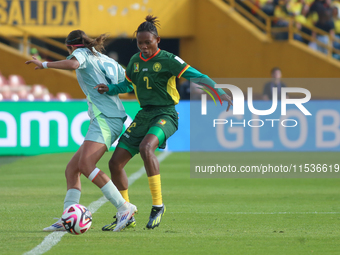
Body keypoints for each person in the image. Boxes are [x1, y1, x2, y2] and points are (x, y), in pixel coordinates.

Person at [95, 15, 232, 230]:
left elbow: (196, 75)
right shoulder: (135, 61)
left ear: (157, 40)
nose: (144, 47)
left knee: (146, 147)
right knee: (115, 163)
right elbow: (127, 86)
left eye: (148, 42)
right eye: (140, 43)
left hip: (166, 114)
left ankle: (158, 205)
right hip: (143, 115)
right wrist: (110, 89)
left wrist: (219, 91)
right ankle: (125, 213)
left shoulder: (168, 59)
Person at [25, 30, 137, 232]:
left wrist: (43, 64)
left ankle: (124, 207)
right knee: (72, 169)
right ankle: (68, 217)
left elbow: (74, 64)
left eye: (69, 51)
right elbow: (128, 85)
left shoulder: (82, 54)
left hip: (105, 118)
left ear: (71, 47)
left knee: (86, 164)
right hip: (111, 117)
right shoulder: (106, 59)